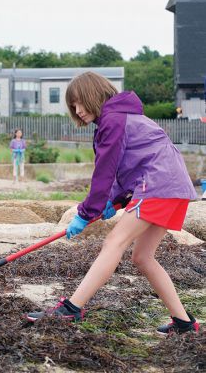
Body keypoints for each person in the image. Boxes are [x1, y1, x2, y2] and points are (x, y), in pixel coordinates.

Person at [24, 72, 200, 336]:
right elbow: (123, 168)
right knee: (142, 257)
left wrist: (86, 212)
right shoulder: (121, 117)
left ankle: (72, 308)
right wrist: (112, 201)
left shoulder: (113, 120)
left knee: (113, 242)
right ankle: (185, 323)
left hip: (157, 185)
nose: (78, 110)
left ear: (94, 95)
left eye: (80, 102)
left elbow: (104, 171)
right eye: (73, 106)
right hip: (171, 186)